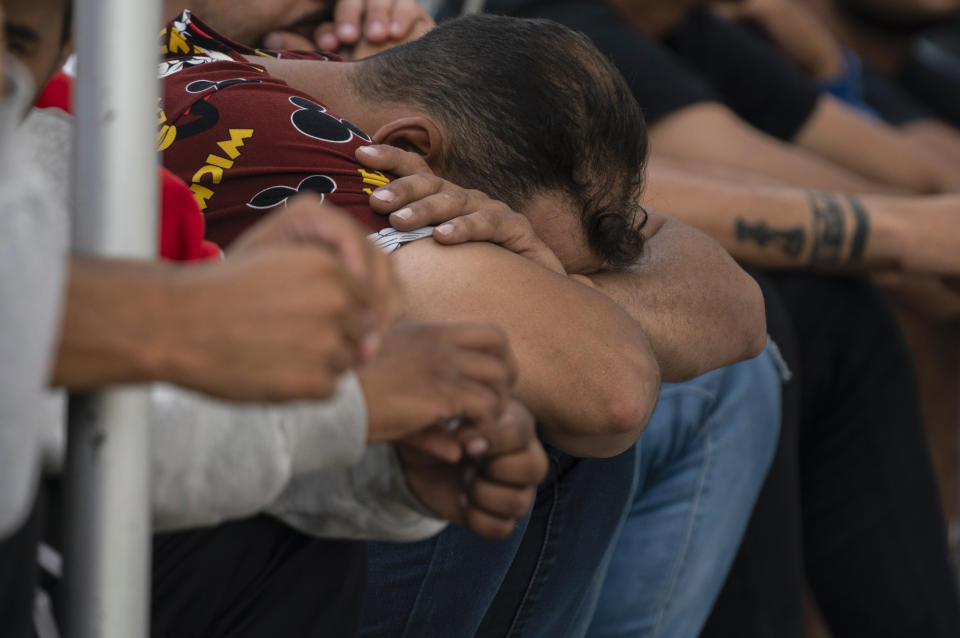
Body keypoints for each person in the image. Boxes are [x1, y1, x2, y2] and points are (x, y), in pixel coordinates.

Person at [158, 9, 777, 636]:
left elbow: (739, 308)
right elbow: (608, 388)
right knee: (505, 404)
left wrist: (549, 281)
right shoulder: (304, 149)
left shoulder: (329, 85)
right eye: (507, 245)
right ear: (410, 150)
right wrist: (549, 302)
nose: (523, 259)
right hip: (162, 540)